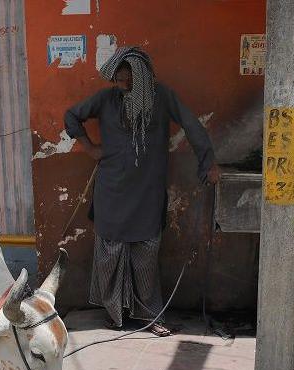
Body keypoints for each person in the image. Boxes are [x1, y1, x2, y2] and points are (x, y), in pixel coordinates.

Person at [64, 46, 219, 337]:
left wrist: (208, 162)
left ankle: (151, 316)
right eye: (118, 81)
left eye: (126, 80)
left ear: (141, 78)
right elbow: (71, 116)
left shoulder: (161, 97)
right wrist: (90, 148)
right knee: (109, 252)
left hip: (147, 191)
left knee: (146, 252)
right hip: (111, 190)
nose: (120, 86)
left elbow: (190, 123)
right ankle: (114, 315)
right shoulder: (106, 98)